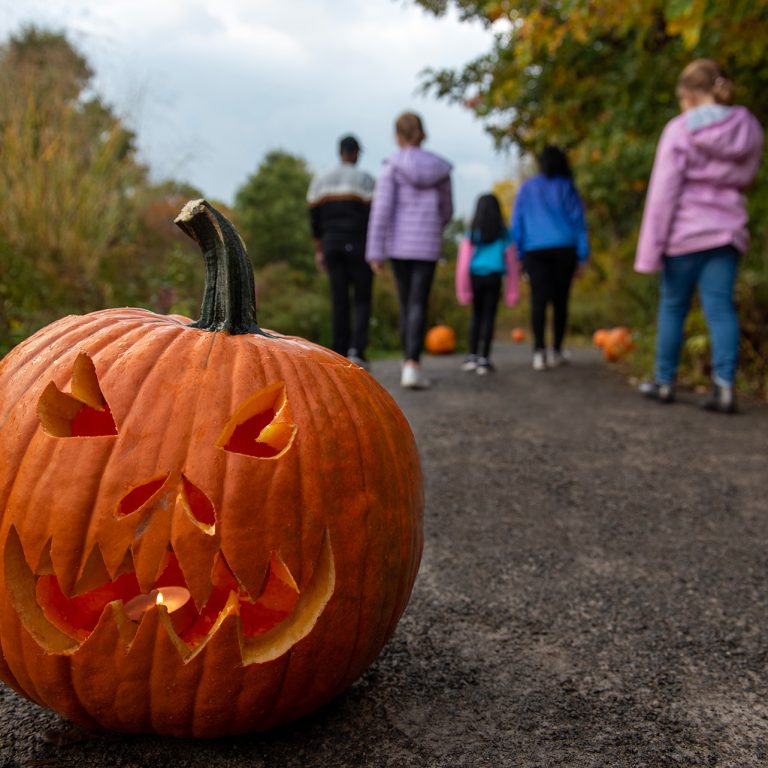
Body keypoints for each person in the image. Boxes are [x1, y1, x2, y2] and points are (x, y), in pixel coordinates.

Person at [635, 59, 764, 413]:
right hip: (726, 233)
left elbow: (663, 194)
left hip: (684, 235)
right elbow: (748, 176)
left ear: (689, 96)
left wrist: (650, 250)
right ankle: (724, 386)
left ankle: (664, 382)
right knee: (720, 308)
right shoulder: (748, 127)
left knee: (673, 307)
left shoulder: (680, 130)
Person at [366, 112, 453, 389]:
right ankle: (414, 365)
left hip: (399, 245)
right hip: (427, 244)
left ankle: (407, 364)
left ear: (397, 136)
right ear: (422, 133)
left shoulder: (391, 166)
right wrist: (433, 226)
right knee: (418, 303)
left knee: (406, 303)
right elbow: (447, 209)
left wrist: (375, 251)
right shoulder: (439, 168)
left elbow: (381, 211)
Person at [510, 146, 589, 371]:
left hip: (535, 250)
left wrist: (519, 253)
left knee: (538, 300)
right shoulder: (566, 187)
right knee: (560, 301)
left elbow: (518, 222)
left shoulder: (527, 188)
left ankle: (538, 351)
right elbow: (578, 223)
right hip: (564, 248)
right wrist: (582, 255)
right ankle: (556, 350)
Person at [307, 134, 376, 368]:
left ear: (340, 152)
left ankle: (339, 349)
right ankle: (357, 349)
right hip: (359, 243)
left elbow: (314, 219)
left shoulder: (321, 180)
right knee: (362, 297)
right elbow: (372, 216)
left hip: (331, 243)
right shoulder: (365, 179)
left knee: (339, 298)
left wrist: (319, 249)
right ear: (356, 153)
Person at [455, 193, 519, 375]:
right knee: (489, 317)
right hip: (494, 278)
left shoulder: (472, 234)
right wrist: (512, 293)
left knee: (476, 316)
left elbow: (462, 266)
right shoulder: (504, 235)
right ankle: (484, 359)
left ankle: (471, 356)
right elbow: (513, 266)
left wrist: (463, 291)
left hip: (475, 278)